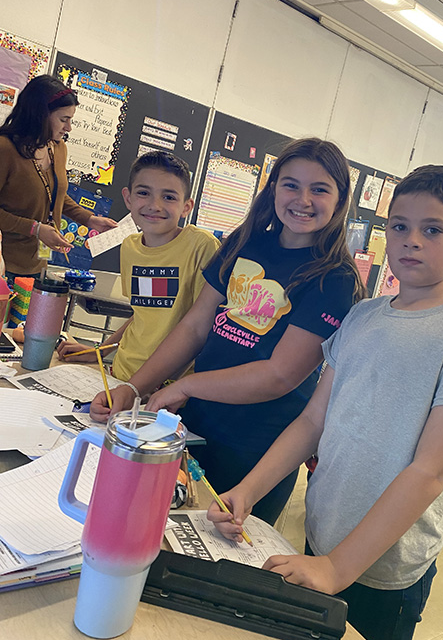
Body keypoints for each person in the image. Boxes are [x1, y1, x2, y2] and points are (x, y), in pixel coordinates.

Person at [208, 164, 443, 640]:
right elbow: (310, 423)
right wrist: (249, 491)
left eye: (433, 229)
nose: (411, 241)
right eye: (399, 226)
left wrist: (338, 566)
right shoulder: (363, 317)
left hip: (381, 566)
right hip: (325, 538)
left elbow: (431, 471)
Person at [90, 138, 365, 523]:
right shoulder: (247, 242)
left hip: (255, 449)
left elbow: (279, 375)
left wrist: (184, 386)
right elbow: (195, 326)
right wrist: (134, 387)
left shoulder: (334, 278)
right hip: (196, 425)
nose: (303, 199)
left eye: (319, 189)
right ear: (273, 189)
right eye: (290, 184)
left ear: (340, 199)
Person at [58, 151, 220, 380]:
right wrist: (100, 351)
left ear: (186, 207)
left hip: (165, 385)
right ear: (128, 198)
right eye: (144, 193)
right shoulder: (130, 247)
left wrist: (174, 388)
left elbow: (206, 328)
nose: (154, 205)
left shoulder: (201, 246)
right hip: (122, 373)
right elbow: (143, 314)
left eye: (169, 197)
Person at [0, 75, 117, 278]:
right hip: (4, 265)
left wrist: (89, 219)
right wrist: (35, 229)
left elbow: (56, 193)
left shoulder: (58, 148)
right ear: (40, 115)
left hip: (37, 265)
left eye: (70, 119)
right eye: (64, 119)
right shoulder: (5, 148)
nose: (69, 128)